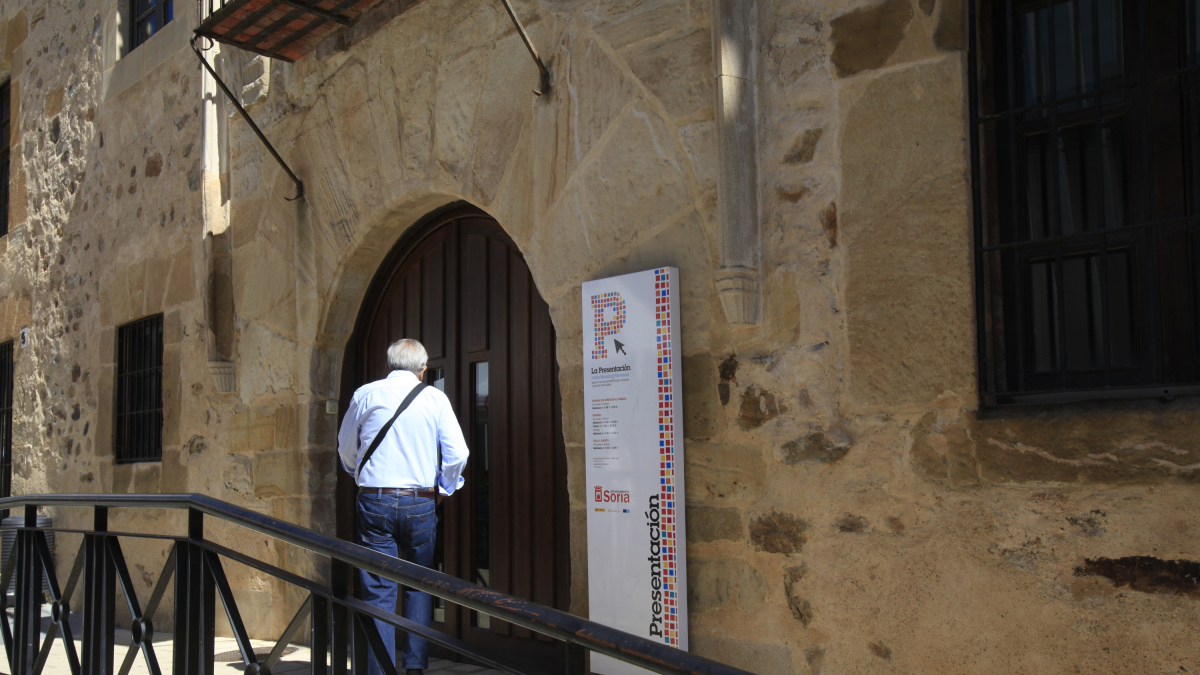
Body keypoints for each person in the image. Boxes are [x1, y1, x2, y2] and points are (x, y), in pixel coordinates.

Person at [337, 338, 469, 675]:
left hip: (375, 499)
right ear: (423, 371)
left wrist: (359, 476)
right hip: (419, 501)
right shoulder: (435, 399)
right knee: (418, 585)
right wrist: (444, 489)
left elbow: (345, 448)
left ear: (387, 366)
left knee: (378, 589)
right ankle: (414, 669)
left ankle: (379, 669)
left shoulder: (365, 394)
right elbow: (459, 454)